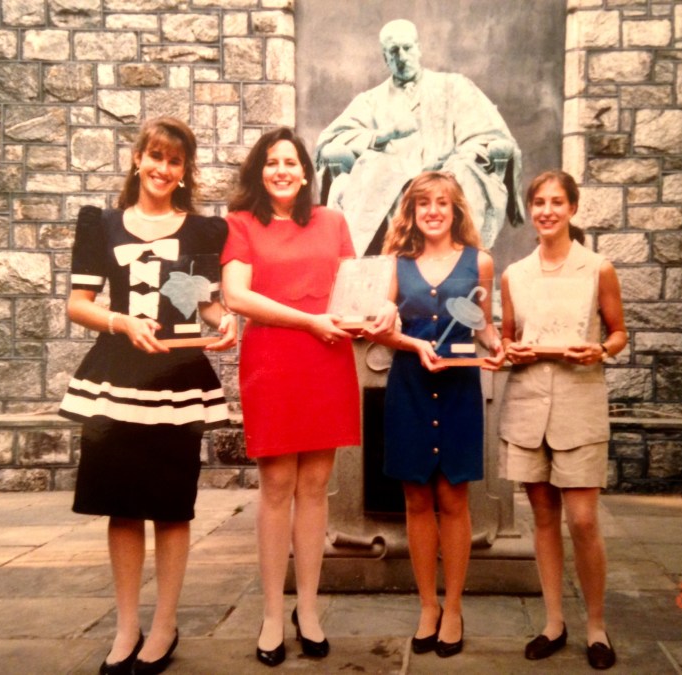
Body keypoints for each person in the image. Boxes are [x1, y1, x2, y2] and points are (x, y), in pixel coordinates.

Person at [59, 117, 237, 675]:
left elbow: (200, 302)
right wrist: (119, 322)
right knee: (121, 503)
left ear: (185, 172)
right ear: (138, 159)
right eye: (155, 157)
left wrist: (225, 321)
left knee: (170, 505)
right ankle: (126, 625)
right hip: (115, 379)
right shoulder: (102, 224)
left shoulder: (201, 233)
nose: (163, 169)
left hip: (177, 378)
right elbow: (78, 303)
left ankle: (164, 625)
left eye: (175, 161)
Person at [221, 127, 394, 667]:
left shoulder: (333, 222)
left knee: (316, 486)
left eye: (291, 162)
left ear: (305, 171)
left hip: (326, 363)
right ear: (260, 170)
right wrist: (310, 321)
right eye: (271, 162)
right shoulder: (242, 224)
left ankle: (310, 609)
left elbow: (357, 288)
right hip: (273, 362)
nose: (281, 170)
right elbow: (237, 295)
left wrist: (382, 309)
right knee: (277, 485)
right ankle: (274, 613)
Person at [371, 171, 504, 658]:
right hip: (409, 386)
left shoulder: (480, 262)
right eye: (423, 203)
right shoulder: (394, 264)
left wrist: (498, 344)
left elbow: (484, 325)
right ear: (412, 210)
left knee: (453, 497)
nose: (432, 210)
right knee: (415, 499)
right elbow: (379, 329)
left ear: (455, 209)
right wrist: (412, 342)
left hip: (458, 392)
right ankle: (427, 605)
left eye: (441, 203)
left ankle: (453, 607)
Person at [498, 170, 627, 670]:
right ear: (531, 210)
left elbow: (618, 333)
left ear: (572, 209)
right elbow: (508, 339)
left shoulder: (598, 268)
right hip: (529, 404)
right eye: (539, 202)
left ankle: (596, 625)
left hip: (578, 402)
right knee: (544, 518)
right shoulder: (515, 274)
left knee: (583, 519)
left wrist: (597, 348)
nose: (547, 210)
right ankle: (554, 622)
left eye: (557, 202)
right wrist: (511, 350)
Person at [314, 18, 525, 256]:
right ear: (385, 58)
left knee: (462, 172)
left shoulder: (454, 87)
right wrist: (380, 136)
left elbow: (484, 134)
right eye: (393, 51)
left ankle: (457, 258)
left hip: (449, 173)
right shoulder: (370, 101)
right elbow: (331, 141)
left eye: (407, 48)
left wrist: (451, 163)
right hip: (389, 182)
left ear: (419, 49)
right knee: (374, 171)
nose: (402, 56)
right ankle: (386, 258)